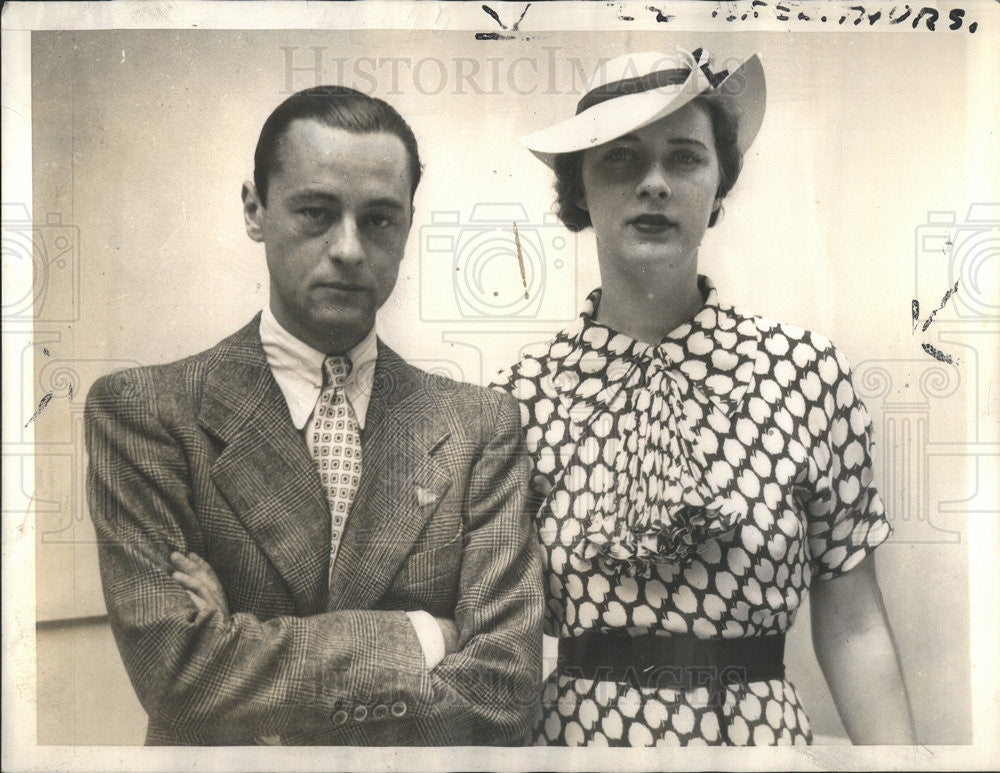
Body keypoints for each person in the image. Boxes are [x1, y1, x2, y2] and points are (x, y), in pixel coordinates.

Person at [85, 85, 544, 746]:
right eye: (316, 212)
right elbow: (179, 677)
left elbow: (504, 695)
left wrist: (242, 667)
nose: (351, 248)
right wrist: (420, 635)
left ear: (410, 225)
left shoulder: (479, 427)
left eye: (380, 219)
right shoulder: (146, 413)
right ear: (255, 208)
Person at [492, 49, 916, 746]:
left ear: (719, 186)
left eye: (684, 158)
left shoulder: (805, 374)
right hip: (576, 749)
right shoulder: (518, 398)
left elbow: (856, 622)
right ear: (579, 192)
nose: (654, 184)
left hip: (758, 747)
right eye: (621, 160)